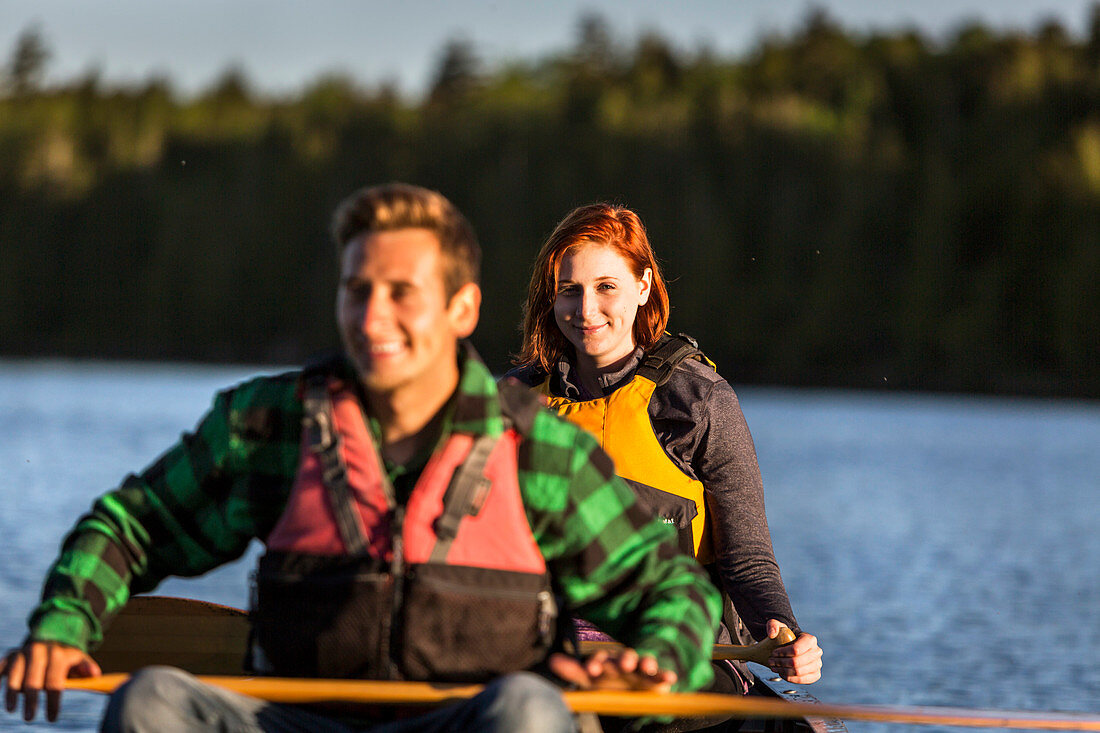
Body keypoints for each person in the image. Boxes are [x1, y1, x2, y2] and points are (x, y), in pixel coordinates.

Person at [0, 184, 722, 732]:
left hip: (463, 723)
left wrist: (656, 659)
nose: (372, 317)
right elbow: (133, 526)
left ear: (461, 308)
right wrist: (63, 622)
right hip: (299, 723)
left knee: (531, 709)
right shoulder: (271, 426)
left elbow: (673, 590)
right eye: (357, 290)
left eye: (402, 293)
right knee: (151, 698)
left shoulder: (538, 453)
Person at [504, 203, 822, 711]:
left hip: (680, 661)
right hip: (551, 655)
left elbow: (747, 561)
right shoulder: (512, 404)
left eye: (606, 286)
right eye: (570, 290)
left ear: (643, 286)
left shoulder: (698, 400)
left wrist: (787, 639)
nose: (586, 310)